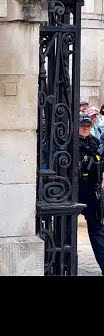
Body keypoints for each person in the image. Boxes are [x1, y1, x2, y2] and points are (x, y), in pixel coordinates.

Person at [77, 113, 104, 274]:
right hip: (74, 190)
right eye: (82, 125)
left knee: (97, 232)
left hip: (92, 191)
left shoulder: (95, 142)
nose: (85, 128)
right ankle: (63, 266)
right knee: (66, 229)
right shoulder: (69, 142)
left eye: (88, 126)